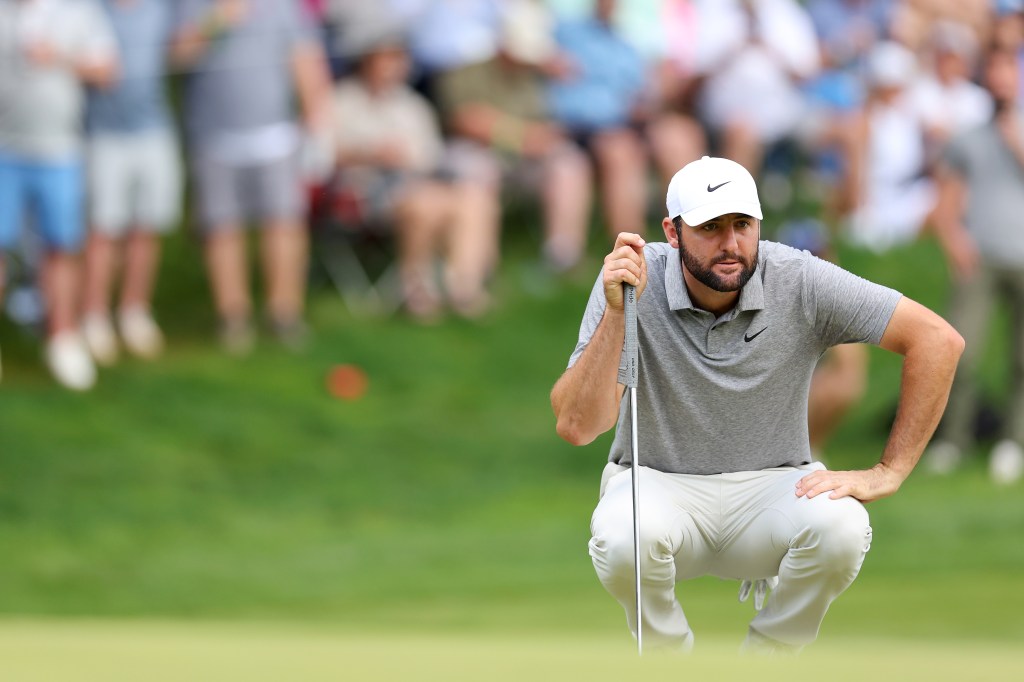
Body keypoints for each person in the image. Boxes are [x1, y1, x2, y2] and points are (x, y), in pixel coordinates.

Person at [550, 156, 964, 652]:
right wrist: (618, 315)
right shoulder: (630, 281)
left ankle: (768, 661)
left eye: (742, 224)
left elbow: (938, 340)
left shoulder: (799, 276)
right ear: (673, 231)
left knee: (843, 528)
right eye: (710, 227)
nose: (730, 244)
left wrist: (889, 471)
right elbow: (578, 425)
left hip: (772, 488)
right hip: (658, 484)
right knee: (623, 535)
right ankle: (668, 661)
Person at [171, 0, 333, 354]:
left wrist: (317, 125)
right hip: (213, 135)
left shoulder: (283, 5)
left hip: (276, 135)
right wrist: (217, 20)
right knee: (222, 228)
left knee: (284, 223)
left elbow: (305, 57)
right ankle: (233, 318)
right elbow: (178, 55)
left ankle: (284, 314)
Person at [328, 17, 497, 319]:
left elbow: (431, 158)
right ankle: (419, 294)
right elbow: (322, 154)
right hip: (363, 194)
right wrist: (370, 153)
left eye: (399, 57)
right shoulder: (341, 101)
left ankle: (464, 288)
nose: (396, 65)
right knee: (424, 202)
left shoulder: (412, 105)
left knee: (474, 196)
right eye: (388, 57)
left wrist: (410, 161)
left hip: (417, 185)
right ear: (367, 61)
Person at [0, 0, 118, 390]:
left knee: (61, 246)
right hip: (3, 151)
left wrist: (58, 58)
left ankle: (62, 337)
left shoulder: (79, 11)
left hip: (60, 150)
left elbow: (106, 71)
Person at [925, 46, 1024, 484]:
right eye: (995, 72)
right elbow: (945, 201)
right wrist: (954, 241)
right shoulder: (967, 138)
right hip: (981, 258)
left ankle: (1013, 441)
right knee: (960, 351)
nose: (1002, 81)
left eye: (1009, 72)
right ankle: (953, 439)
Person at [81, 0, 182, 365]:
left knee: (146, 226)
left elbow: (182, 49)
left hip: (155, 132)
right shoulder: (90, 9)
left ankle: (134, 311)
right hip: (103, 135)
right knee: (103, 230)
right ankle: (94, 317)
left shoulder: (162, 7)